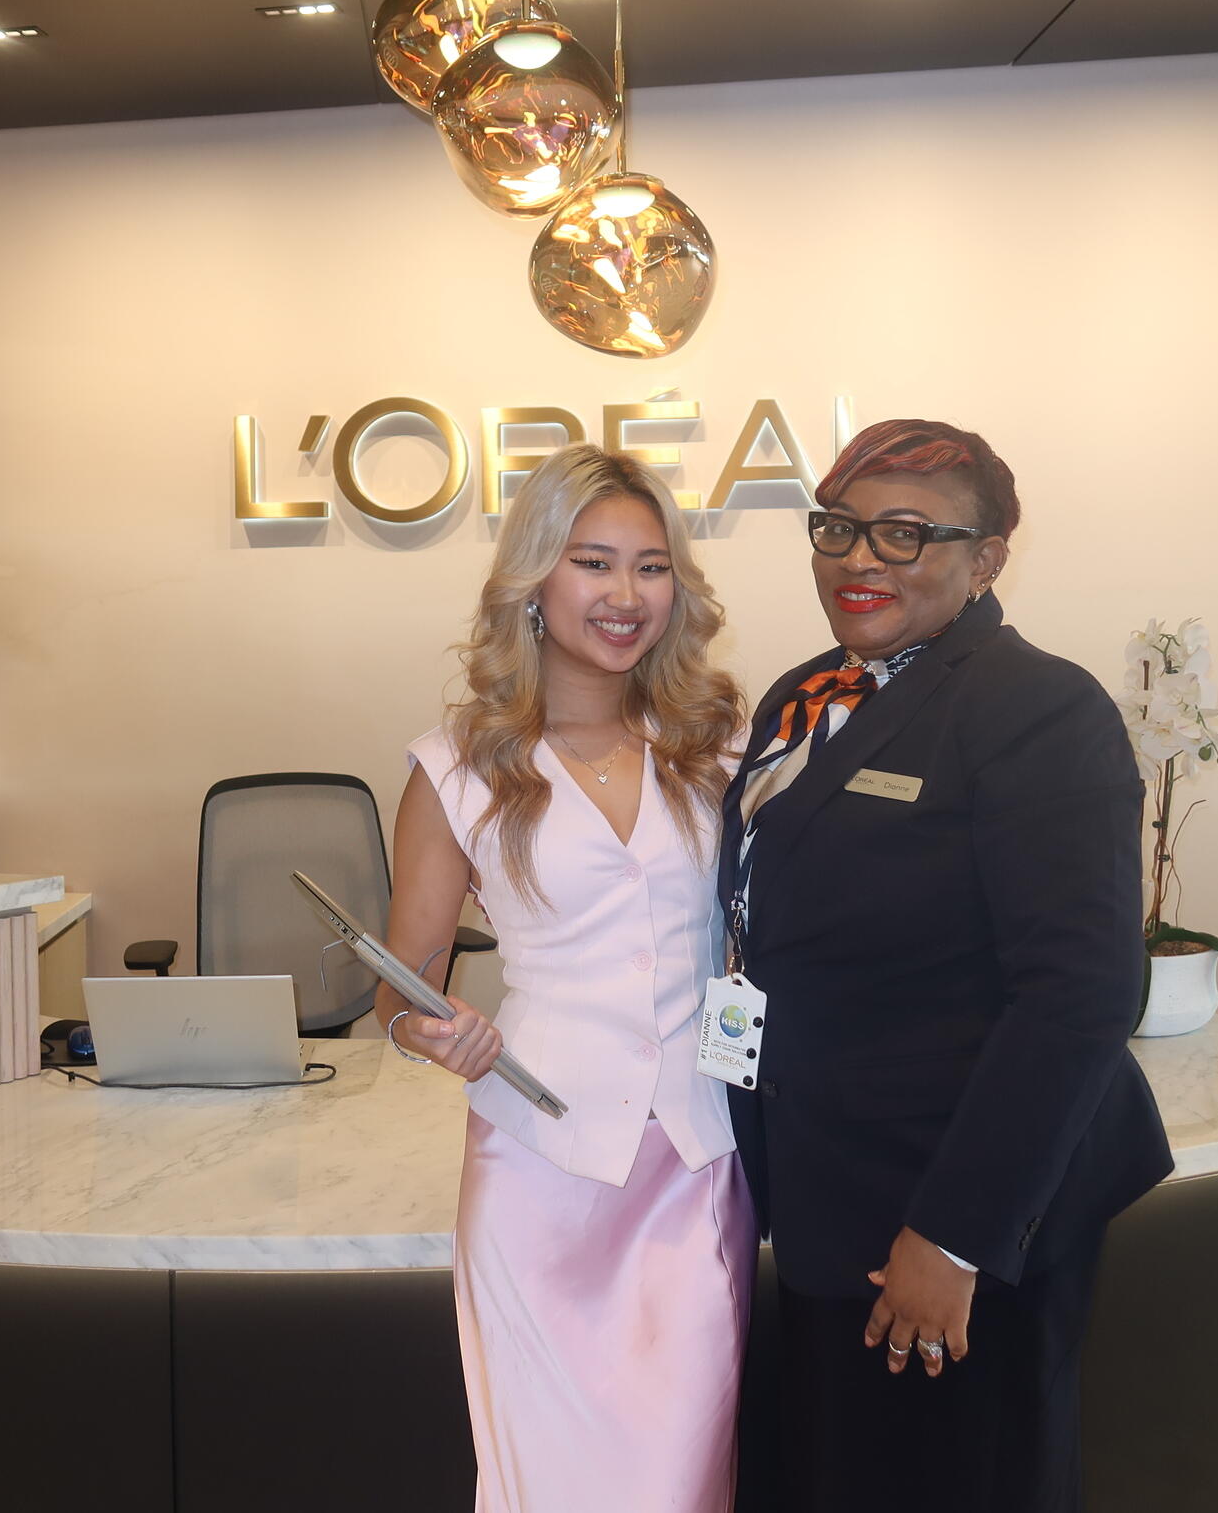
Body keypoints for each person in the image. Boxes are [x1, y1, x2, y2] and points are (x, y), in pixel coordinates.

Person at [722, 419, 1173, 1512]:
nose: (861, 557)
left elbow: (1080, 993)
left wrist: (956, 1235)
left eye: (906, 533)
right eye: (839, 527)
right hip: (829, 1178)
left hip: (952, 1203)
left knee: (962, 1479)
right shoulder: (803, 694)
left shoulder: (1037, 707)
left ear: (987, 559)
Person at [380, 444, 753, 1513]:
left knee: (681, 1481)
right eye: (593, 562)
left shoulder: (717, 745)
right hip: (538, 1171)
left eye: (651, 565)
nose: (625, 593)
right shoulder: (456, 765)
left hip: (696, 1159)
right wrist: (431, 1029)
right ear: (534, 578)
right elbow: (399, 988)